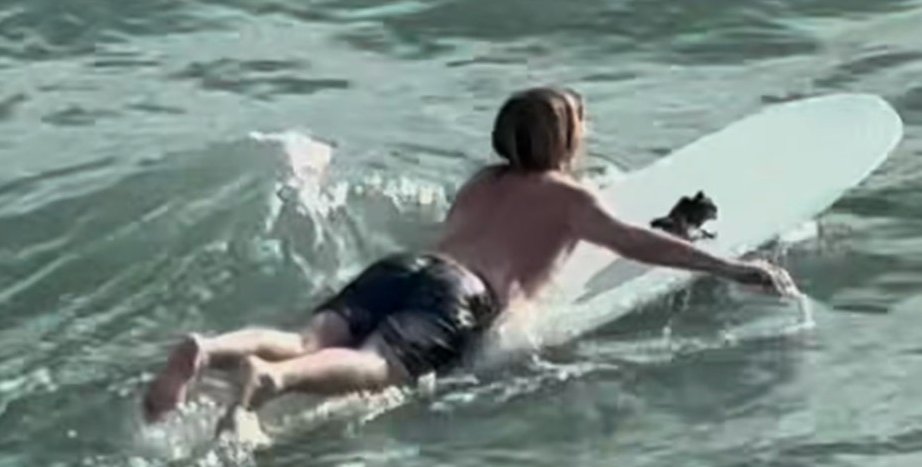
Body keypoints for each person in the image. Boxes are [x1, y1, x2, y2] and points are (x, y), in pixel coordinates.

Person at [141, 87, 798, 432]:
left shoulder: (483, 181)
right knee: (377, 365)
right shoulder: (572, 195)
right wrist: (732, 267)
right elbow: (637, 242)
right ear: (565, 140)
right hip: (459, 295)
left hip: (405, 265)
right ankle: (271, 382)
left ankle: (210, 346)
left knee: (303, 335)